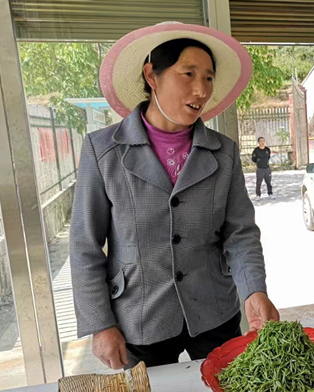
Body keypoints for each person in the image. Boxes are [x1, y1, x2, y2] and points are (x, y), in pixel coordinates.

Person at [70, 22, 279, 370]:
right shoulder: (103, 151)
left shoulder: (222, 152)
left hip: (214, 311)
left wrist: (255, 290)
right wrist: (100, 324)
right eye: (188, 74)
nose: (201, 89)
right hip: (140, 317)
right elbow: (84, 245)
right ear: (152, 76)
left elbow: (240, 234)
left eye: (209, 78)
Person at [252, 137, 274, 201]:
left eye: (263, 141)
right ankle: (258, 195)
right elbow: (254, 159)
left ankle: (270, 193)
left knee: (268, 182)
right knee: (258, 182)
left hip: (267, 168)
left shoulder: (267, 149)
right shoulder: (256, 150)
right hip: (260, 169)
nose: (262, 142)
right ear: (258, 142)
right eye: (261, 141)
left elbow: (268, 157)